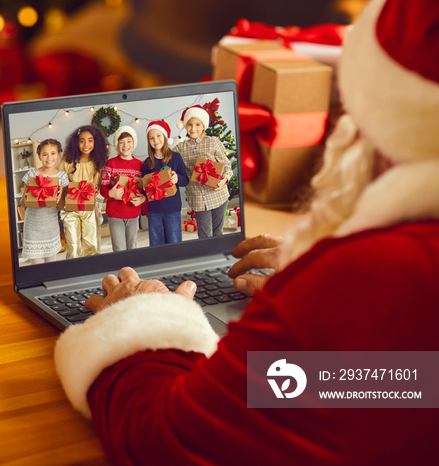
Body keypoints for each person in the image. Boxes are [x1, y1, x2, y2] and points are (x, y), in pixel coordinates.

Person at [53, 0, 439, 464]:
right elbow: (408, 384)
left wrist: (138, 323)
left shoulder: (386, 277)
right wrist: (315, 286)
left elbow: (163, 441)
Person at [173, 104, 233, 238]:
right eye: (189, 124)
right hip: (198, 199)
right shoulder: (180, 148)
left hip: (218, 195)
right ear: (185, 126)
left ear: (203, 126)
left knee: (218, 233)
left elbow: (227, 166)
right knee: (205, 235)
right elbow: (167, 160)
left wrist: (225, 180)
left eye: (197, 124)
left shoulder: (213, 142)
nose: (193, 128)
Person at [58, 125, 109, 259]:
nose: (86, 144)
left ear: (96, 142)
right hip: (70, 208)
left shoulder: (99, 161)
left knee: (92, 244)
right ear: (76, 142)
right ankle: (74, 272)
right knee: (73, 245)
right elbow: (57, 179)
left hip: (90, 208)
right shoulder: (67, 160)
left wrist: (98, 187)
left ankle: (92, 271)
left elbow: (103, 182)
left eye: (90, 140)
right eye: (82, 141)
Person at [19, 139, 69, 264]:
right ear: (39, 156)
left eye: (53, 153)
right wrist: (26, 195)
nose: (49, 157)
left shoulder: (62, 176)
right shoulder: (32, 174)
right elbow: (23, 203)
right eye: (45, 154)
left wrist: (61, 194)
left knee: (50, 267)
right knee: (36, 266)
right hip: (32, 226)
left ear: (59, 154)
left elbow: (61, 206)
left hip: (50, 227)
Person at [140, 120, 189, 246]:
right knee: (156, 243)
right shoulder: (147, 163)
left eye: (158, 136)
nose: (155, 140)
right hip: (154, 210)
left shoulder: (176, 157)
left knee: (174, 242)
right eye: (151, 138)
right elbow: (143, 187)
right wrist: (145, 188)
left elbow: (186, 180)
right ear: (148, 141)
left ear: (165, 137)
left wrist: (177, 178)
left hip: (172, 209)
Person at [100, 126, 146, 251]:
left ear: (134, 143)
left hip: (133, 213)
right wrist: (111, 193)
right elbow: (102, 189)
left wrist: (142, 198)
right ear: (116, 145)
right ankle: (120, 270)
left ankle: (131, 270)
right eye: (121, 142)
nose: (125, 145)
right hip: (115, 214)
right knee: (119, 248)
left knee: (132, 246)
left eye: (129, 141)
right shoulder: (111, 164)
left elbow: (144, 189)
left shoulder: (140, 165)